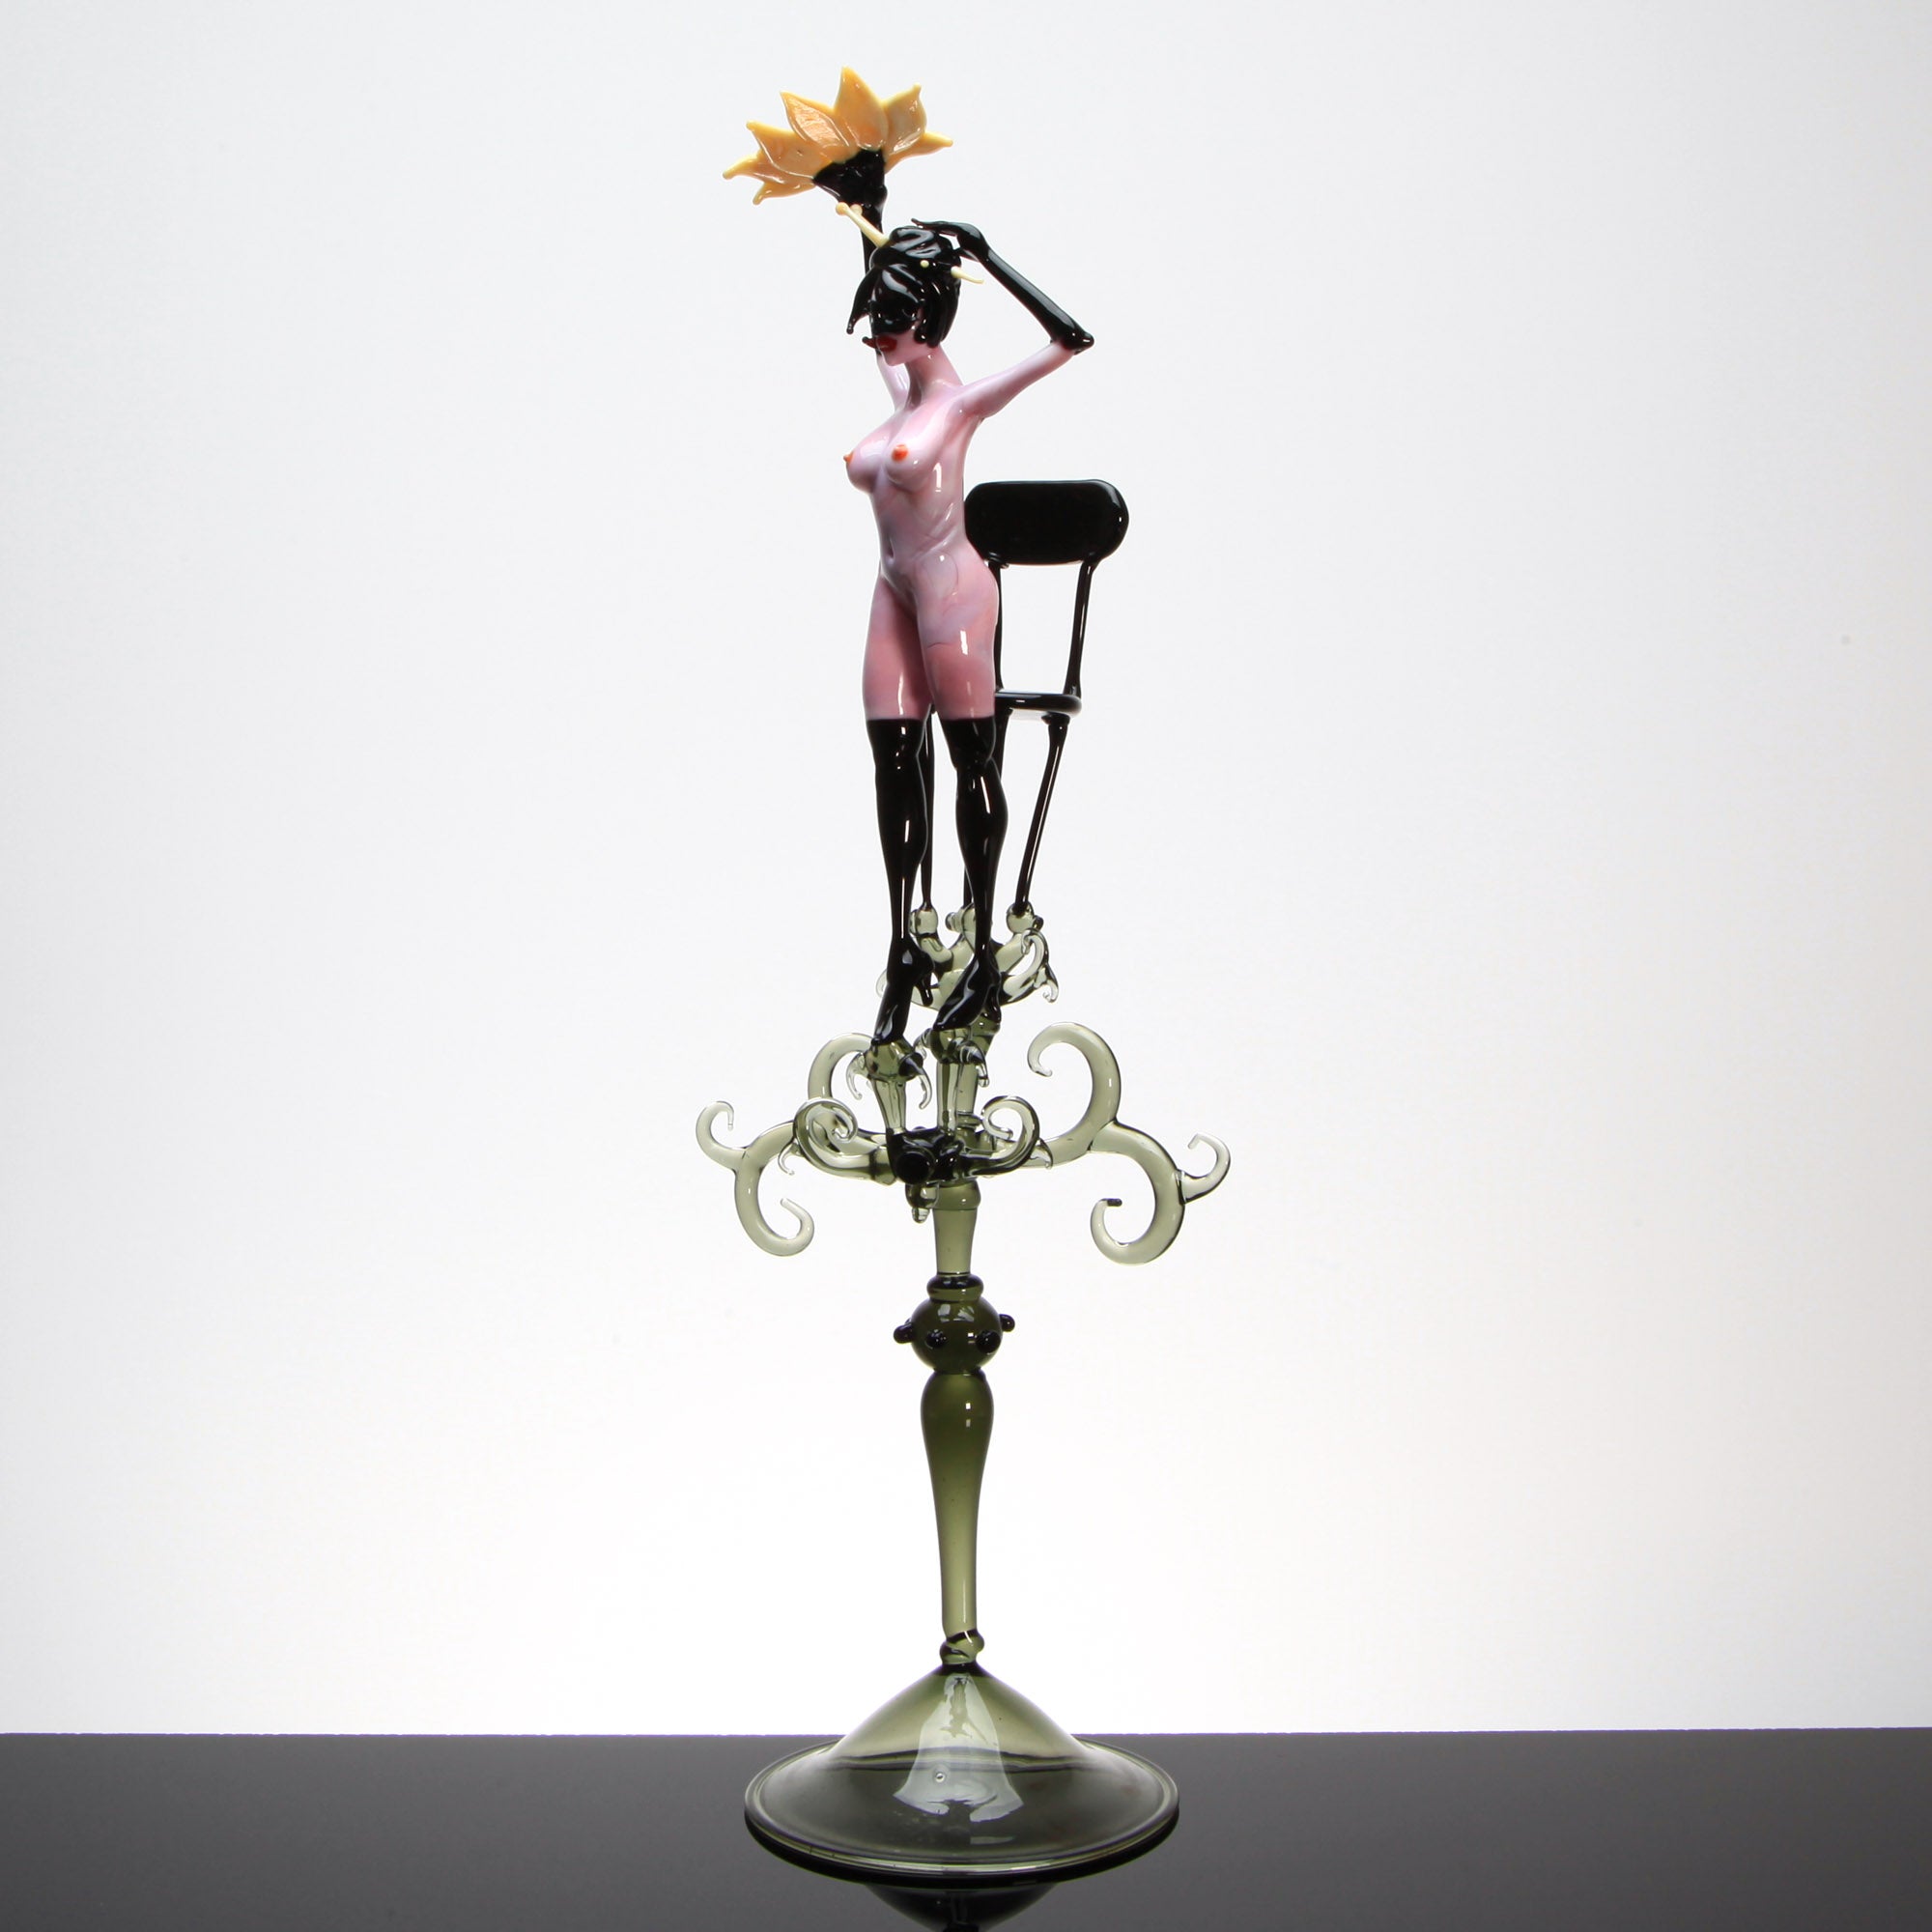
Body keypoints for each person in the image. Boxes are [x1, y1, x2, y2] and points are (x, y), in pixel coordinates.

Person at [844, 218, 1092, 1044]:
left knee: (969, 759)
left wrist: (983, 256)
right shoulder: (902, 393)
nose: (876, 332)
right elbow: (883, 276)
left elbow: (1070, 339)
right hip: (893, 592)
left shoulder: (961, 403)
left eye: (891, 317)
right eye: (872, 314)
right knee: (891, 758)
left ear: (930, 317)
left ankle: (981, 949)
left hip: (952, 591)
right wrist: (870, 199)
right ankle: (901, 950)